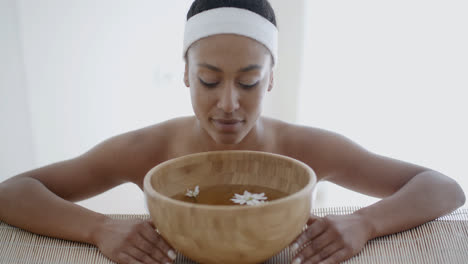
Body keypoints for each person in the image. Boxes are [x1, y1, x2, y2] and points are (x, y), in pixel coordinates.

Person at [0, 0, 465, 263]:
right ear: (185, 72)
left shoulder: (304, 148)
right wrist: (100, 228)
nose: (228, 103)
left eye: (248, 81)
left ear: (272, 78)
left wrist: (366, 222)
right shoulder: (147, 148)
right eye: (208, 80)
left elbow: (443, 188)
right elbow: (13, 192)